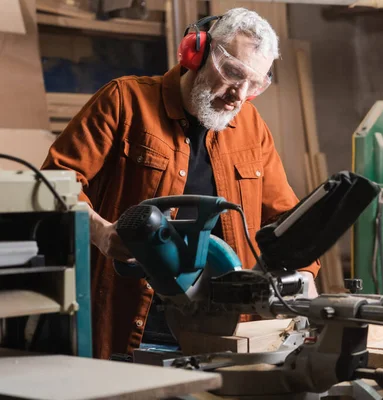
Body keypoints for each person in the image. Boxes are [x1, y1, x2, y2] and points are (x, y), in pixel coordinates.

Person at [41, 7, 320, 360]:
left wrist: (303, 273)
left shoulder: (251, 127)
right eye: (233, 73)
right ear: (196, 52)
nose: (239, 95)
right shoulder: (124, 102)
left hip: (222, 325)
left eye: (255, 84)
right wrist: (100, 232)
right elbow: (55, 181)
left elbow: (283, 217)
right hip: (130, 318)